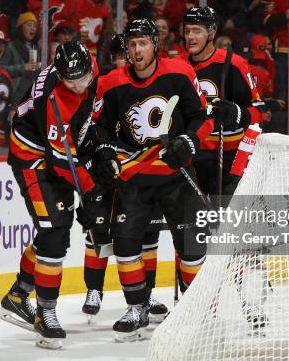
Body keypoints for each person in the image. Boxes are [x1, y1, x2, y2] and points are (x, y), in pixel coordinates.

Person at [92, 19, 212, 341]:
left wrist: (188, 142)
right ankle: (137, 307)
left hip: (175, 173)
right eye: (131, 45)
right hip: (134, 175)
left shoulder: (180, 72)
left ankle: (191, 309)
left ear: (155, 45)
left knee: (191, 244)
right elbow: (99, 126)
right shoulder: (111, 82)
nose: (136, 50)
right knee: (126, 241)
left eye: (142, 43)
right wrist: (104, 151)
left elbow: (202, 117)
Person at [0, 41, 106, 349]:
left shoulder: (88, 70)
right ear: (60, 75)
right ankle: (46, 313)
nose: (80, 85)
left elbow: (87, 116)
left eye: (83, 77)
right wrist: (91, 190)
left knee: (54, 228)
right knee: (54, 232)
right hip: (34, 160)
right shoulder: (54, 100)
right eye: (72, 82)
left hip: (53, 152)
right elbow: (60, 160)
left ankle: (18, 294)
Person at [183, 7, 263, 200]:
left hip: (228, 158)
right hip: (191, 156)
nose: (190, 37)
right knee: (195, 225)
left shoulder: (234, 64)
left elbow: (259, 111)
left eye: (197, 31)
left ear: (212, 32)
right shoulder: (179, 67)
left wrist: (237, 114)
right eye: (187, 31)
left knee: (228, 224)